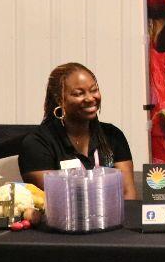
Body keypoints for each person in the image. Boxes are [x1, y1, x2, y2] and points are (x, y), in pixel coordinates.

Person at [19, 62, 139, 199]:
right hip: (63, 219)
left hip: (113, 218)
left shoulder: (113, 135)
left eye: (94, 90)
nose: (90, 98)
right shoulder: (37, 144)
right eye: (79, 93)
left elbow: (127, 193)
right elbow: (56, 199)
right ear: (60, 99)